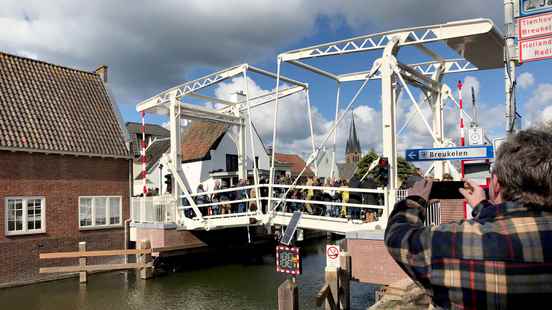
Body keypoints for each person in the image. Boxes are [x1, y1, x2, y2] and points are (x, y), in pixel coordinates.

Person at [384, 129, 552, 309]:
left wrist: (414, 201)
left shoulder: (451, 245)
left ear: (495, 184)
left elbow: (397, 235)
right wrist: (483, 207)